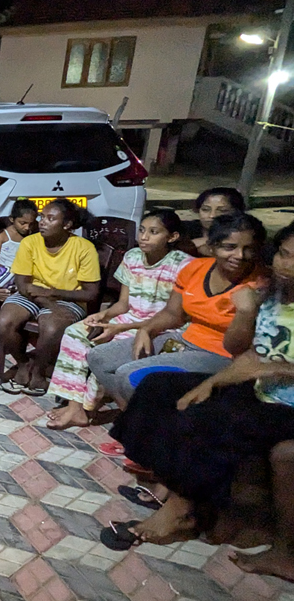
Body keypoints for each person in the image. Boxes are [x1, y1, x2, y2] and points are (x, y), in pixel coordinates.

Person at [101, 223, 294, 557]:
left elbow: (257, 361)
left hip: (286, 404)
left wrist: (270, 368)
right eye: (284, 254)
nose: (286, 265)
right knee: (158, 388)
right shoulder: (273, 293)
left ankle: (180, 512)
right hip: (261, 389)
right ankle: (163, 478)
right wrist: (214, 378)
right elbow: (242, 350)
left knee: (205, 419)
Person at [88, 212, 266, 411]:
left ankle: (151, 425)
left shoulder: (259, 284)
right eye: (230, 247)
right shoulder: (195, 269)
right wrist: (147, 329)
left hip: (222, 355)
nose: (239, 256)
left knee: (129, 375)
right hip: (185, 340)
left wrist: (246, 311)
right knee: (98, 357)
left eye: (248, 249)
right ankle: (134, 417)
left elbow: (241, 347)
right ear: (212, 247)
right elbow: (173, 314)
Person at [46, 209, 193, 428]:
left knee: (104, 349)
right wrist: (103, 315)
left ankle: (88, 408)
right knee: (75, 333)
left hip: (161, 328)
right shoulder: (132, 256)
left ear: (172, 237)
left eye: (154, 232)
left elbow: (175, 317)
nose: (144, 237)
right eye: (142, 230)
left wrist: (118, 329)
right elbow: (123, 304)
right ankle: (75, 406)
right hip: (130, 319)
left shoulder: (183, 265)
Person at [0, 199, 101, 395]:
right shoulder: (30, 242)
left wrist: (53, 294)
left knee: (51, 326)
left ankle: (39, 371)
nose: (42, 222)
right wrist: (45, 299)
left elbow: (90, 293)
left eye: (50, 218)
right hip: (32, 295)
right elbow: (21, 284)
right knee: (4, 321)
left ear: (67, 225)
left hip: (68, 298)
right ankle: (23, 364)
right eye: (42, 217)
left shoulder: (83, 248)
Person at [187, 187, 246, 256]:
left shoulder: (245, 234)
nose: (212, 215)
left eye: (222, 211)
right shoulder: (184, 229)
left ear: (237, 212)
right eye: (205, 209)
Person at [0, 199, 39, 270]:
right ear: (12, 219)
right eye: (22, 223)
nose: (27, 228)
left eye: (31, 224)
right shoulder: (3, 236)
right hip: (5, 273)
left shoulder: (33, 235)